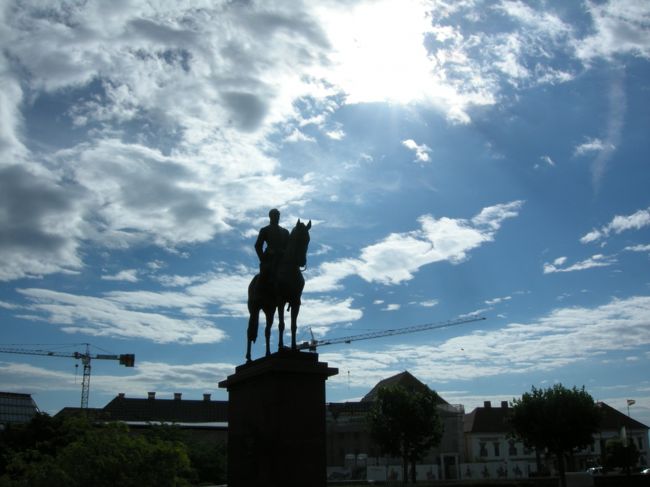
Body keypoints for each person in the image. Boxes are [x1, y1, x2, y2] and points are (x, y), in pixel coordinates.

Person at [254, 209, 289, 288]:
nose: (276, 217)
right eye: (274, 215)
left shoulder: (285, 232)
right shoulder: (265, 230)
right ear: (270, 217)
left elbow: (288, 247)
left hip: (283, 259)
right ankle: (258, 293)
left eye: (277, 215)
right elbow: (258, 246)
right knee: (264, 274)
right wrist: (263, 259)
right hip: (270, 259)